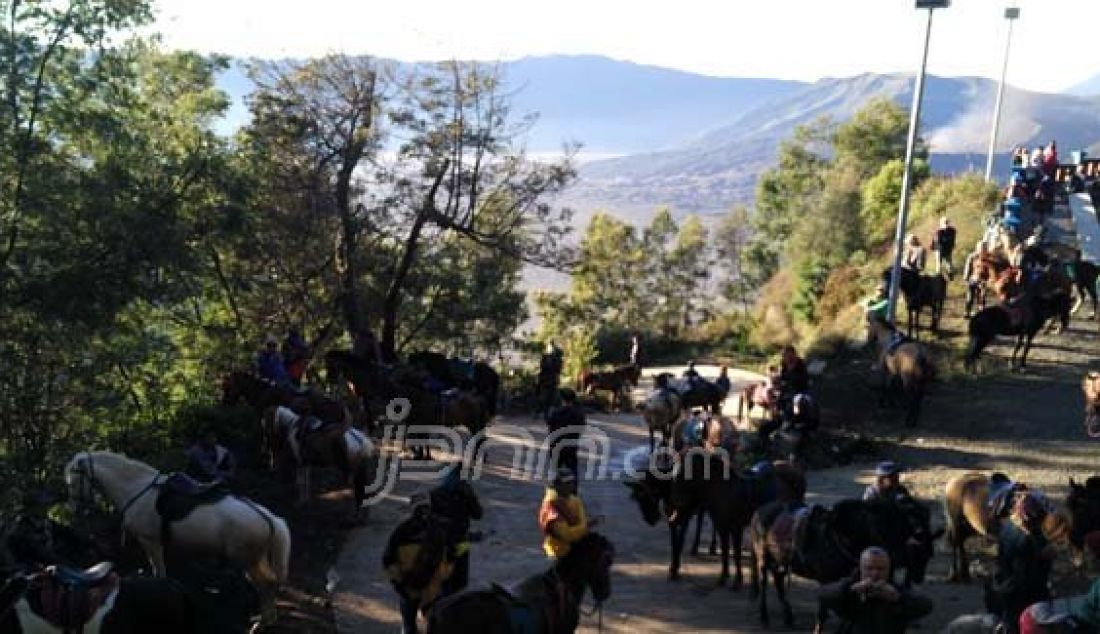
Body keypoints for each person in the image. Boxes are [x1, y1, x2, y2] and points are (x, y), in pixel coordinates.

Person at [817, 546, 934, 633]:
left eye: (880, 569)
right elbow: (823, 594)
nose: (875, 573)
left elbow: (926, 605)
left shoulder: (894, 589)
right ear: (861, 569)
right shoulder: (851, 584)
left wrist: (898, 598)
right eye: (869, 568)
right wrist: (850, 590)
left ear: (888, 570)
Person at [383, 492, 453, 634]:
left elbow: (446, 558)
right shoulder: (403, 532)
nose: (424, 513)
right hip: (413, 587)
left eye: (426, 508)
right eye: (421, 509)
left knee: (429, 624)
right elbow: (389, 560)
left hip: (424, 588)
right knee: (413, 625)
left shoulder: (406, 531)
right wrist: (399, 583)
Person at [992, 493, 1055, 634]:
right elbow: (1028, 574)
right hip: (1024, 593)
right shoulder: (1030, 538)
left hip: (1005, 585)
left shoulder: (1008, 526)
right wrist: (1045, 557)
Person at [6, 490, 96, 569]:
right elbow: (41, 552)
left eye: (46, 505)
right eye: (42, 506)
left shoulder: (46, 522)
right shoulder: (23, 527)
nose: (45, 508)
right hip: (34, 568)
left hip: (53, 563)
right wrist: (68, 565)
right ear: (32, 508)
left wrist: (91, 542)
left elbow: (68, 532)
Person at [429, 465, 482, 597]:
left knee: (442, 580)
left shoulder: (435, 494)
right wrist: (471, 496)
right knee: (459, 582)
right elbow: (478, 514)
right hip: (459, 542)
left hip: (440, 543)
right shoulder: (465, 494)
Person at [538, 467, 597, 559]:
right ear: (557, 486)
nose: (572, 486)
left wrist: (585, 526)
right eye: (567, 483)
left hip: (574, 548)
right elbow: (567, 535)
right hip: (557, 552)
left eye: (572, 483)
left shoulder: (575, 500)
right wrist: (586, 526)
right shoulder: (551, 507)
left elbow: (580, 521)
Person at [546, 388, 586, 480]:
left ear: (562, 399)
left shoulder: (555, 412)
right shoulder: (578, 413)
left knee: (554, 471)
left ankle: (554, 490)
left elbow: (550, 427)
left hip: (556, 445)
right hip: (571, 446)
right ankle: (573, 491)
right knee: (573, 472)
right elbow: (581, 429)